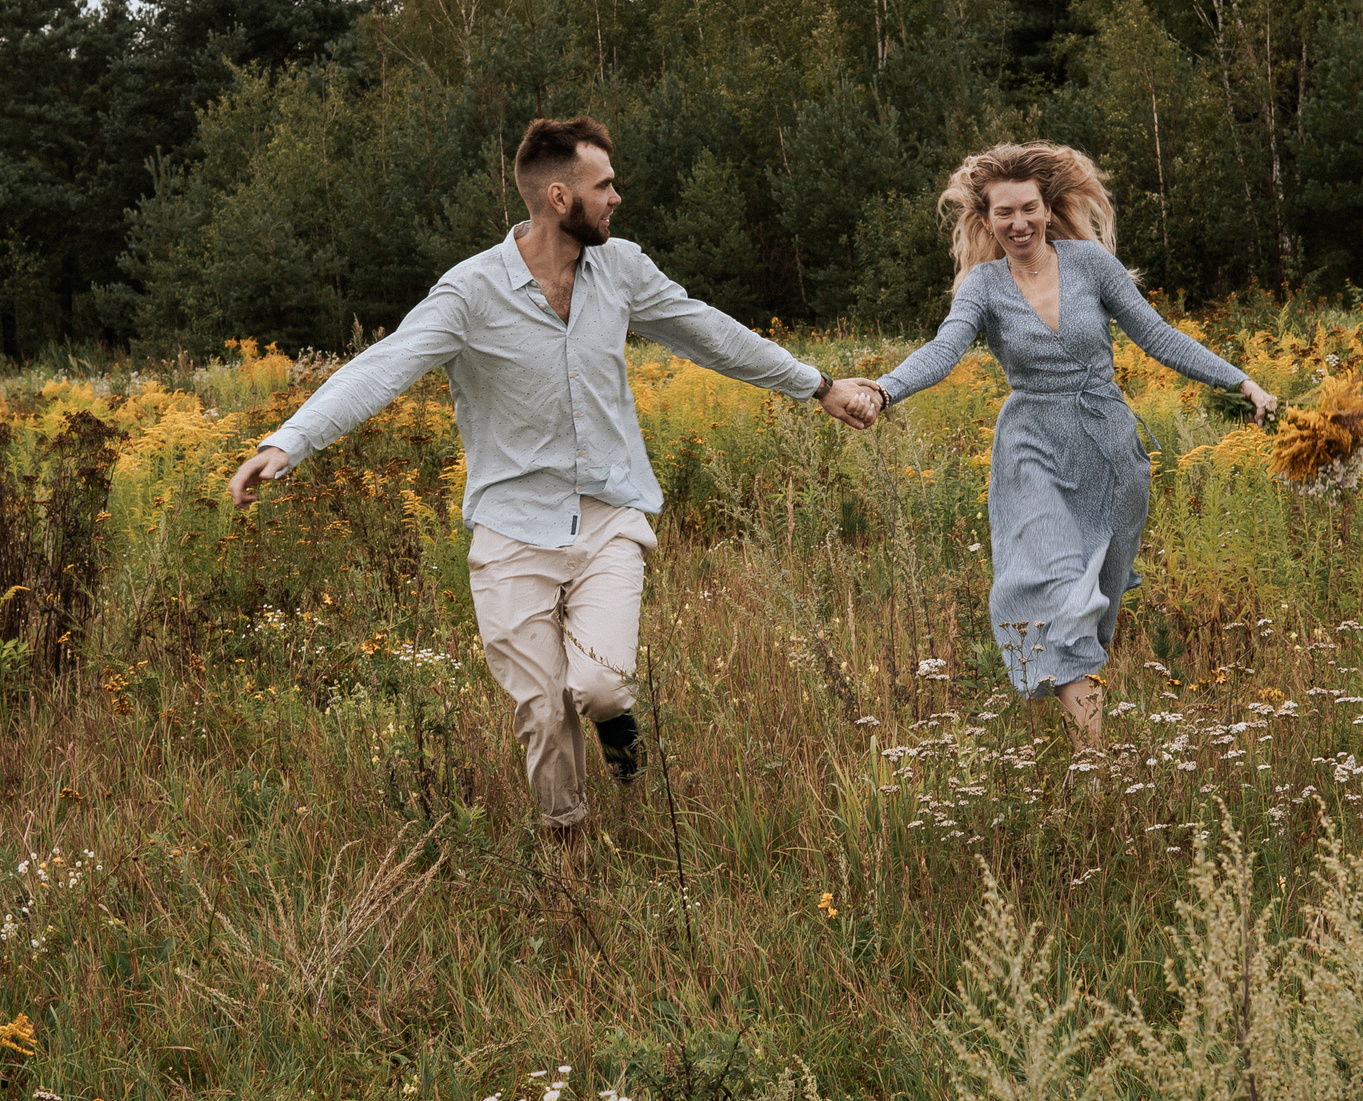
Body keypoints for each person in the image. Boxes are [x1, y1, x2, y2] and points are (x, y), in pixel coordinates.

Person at [227, 117, 883, 850]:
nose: (618, 198)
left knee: (597, 688)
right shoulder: (470, 293)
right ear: (560, 196)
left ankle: (616, 724)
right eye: (605, 186)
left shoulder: (624, 269)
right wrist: (289, 439)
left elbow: (711, 332)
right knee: (542, 709)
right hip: (512, 529)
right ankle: (567, 842)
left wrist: (817, 385)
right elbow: (385, 365)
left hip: (609, 515)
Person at [858, 143, 1275, 745]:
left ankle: (1076, 703)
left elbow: (1158, 335)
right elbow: (945, 349)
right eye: (1004, 213)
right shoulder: (982, 285)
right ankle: (1096, 765)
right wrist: (884, 389)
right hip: (1033, 452)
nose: (1019, 224)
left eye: (1029, 208)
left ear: (1048, 208)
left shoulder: (1090, 264)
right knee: (1056, 588)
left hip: (1109, 449)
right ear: (986, 219)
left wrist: (1241, 382)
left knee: (1096, 602)